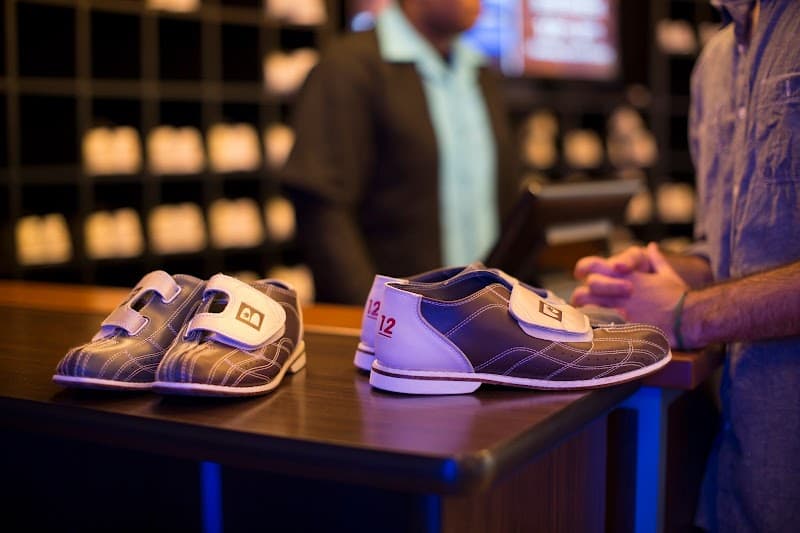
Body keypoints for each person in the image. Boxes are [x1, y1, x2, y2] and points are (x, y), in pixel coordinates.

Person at [571, 1, 800, 531]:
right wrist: (661, 273)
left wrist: (688, 315)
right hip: (735, 481)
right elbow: (730, 252)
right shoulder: (714, 62)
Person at [279, 0, 517, 304]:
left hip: (481, 321)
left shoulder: (480, 72)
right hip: (393, 330)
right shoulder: (349, 65)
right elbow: (322, 208)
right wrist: (371, 316)